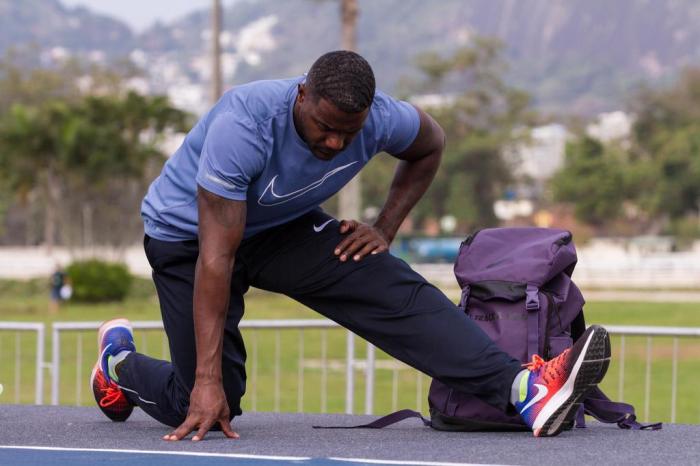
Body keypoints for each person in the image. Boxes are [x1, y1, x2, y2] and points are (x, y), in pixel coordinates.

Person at [90, 51, 611, 439]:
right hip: (190, 239)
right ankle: (118, 364)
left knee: (388, 281)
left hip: (278, 228)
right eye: (324, 127)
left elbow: (430, 146)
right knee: (207, 402)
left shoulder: (383, 117)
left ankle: (524, 390)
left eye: (349, 130)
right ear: (302, 95)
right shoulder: (245, 124)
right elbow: (216, 256)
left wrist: (384, 228)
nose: (335, 143)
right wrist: (207, 379)